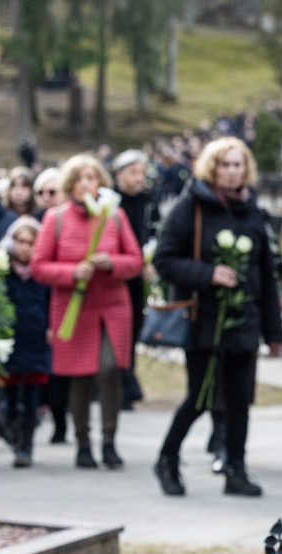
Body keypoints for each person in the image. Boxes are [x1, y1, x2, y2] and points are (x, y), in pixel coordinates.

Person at [153, 137, 282, 498]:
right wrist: (207, 274)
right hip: (203, 322)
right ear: (212, 167)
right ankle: (167, 458)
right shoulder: (190, 207)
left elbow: (266, 275)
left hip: (245, 321)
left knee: (240, 399)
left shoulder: (253, 211)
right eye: (225, 164)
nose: (231, 171)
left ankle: (235, 469)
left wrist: (274, 332)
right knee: (200, 396)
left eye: (237, 164)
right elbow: (164, 260)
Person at [31, 154, 143, 470]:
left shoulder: (115, 216)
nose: (86, 184)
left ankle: (109, 440)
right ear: (70, 184)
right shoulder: (56, 219)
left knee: (109, 369)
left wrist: (113, 264)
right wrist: (70, 272)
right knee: (79, 377)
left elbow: (134, 261)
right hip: (73, 309)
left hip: (112, 307)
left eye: (91, 178)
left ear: (100, 183)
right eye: (79, 178)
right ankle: (83, 442)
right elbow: (39, 266)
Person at [0, 216, 51, 468]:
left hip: (35, 341)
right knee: (8, 398)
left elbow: (52, 303)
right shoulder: (2, 272)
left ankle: (26, 445)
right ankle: (10, 431)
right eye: (20, 241)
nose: (25, 247)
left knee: (31, 399)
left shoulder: (42, 274)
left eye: (31, 242)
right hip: (10, 342)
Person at [111, 149, 160, 411]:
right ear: (120, 175)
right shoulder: (110, 202)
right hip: (116, 275)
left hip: (139, 276)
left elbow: (155, 233)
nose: (138, 178)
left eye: (142, 173)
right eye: (133, 173)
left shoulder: (148, 201)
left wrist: (150, 260)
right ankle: (121, 383)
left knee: (133, 329)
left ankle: (128, 382)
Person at [32, 167, 70, 444]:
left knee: (59, 370)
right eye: (41, 192)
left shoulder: (70, 221)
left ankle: (61, 420)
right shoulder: (34, 221)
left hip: (65, 297)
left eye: (53, 191)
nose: (47, 196)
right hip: (35, 298)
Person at [0, 167, 38, 244]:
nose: (18, 192)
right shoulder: (0, 214)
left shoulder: (38, 214)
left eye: (24, 186)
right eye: (14, 186)